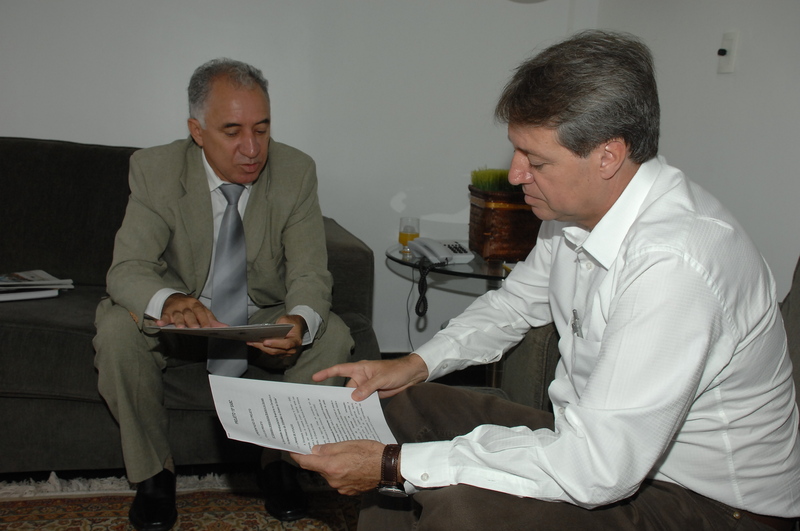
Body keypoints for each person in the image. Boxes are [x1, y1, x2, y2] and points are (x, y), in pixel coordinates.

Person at [292, 30, 800, 530]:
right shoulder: (573, 215)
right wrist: (414, 365)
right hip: (597, 447)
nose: (515, 175)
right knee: (397, 406)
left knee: (461, 507)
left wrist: (392, 466)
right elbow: (513, 306)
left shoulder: (675, 265)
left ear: (608, 155)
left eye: (536, 161)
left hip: (713, 504)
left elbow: (597, 469)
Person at [93, 58, 354, 531]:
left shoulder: (296, 172)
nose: (252, 148)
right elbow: (127, 269)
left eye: (262, 129)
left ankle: (282, 463)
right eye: (232, 131)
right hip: (183, 320)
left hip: (260, 316)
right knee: (116, 329)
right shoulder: (155, 170)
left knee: (330, 334)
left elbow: (311, 272)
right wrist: (169, 300)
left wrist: (298, 321)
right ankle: (154, 476)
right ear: (197, 131)